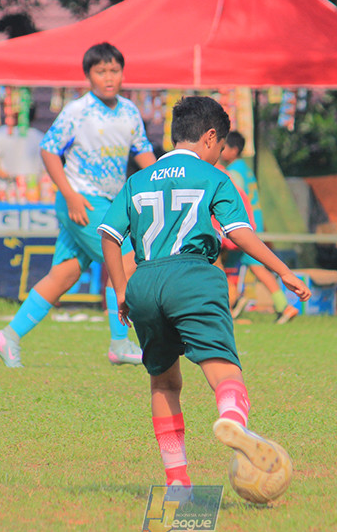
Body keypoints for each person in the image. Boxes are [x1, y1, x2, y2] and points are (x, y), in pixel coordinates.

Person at [98, 95, 311, 487]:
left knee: (163, 383)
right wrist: (283, 271)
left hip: (144, 283)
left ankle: (177, 481)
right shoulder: (215, 178)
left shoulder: (137, 180)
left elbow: (109, 237)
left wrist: (122, 290)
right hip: (194, 277)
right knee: (224, 370)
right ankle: (231, 421)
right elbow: (239, 235)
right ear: (211, 138)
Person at [0, 42, 156, 368]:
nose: (109, 77)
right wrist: (69, 195)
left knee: (64, 275)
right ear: (88, 76)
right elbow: (49, 151)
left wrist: (166, 179)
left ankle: (8, 335)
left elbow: (143, 152)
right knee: (124, 261)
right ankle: (120, 343)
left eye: (114, 70)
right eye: (101, 71)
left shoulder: (129, 111)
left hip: (109, 202)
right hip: (82, 202)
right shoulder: (77, 111)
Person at [218, 131, 300, 324]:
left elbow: (233, 196)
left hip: (243, 225)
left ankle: (284, 306)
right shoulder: (244, 168)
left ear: (234, 150)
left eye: (225, 147)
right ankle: (233, 303)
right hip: (251, 221)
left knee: (257, 267)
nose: (221, 151)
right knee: (230, 265)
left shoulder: (234, 172)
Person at [0, 105, 45, 194]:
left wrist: (7, 177)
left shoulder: (1, 133)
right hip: (33, 190)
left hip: (7, 190)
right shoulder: (41, 137)